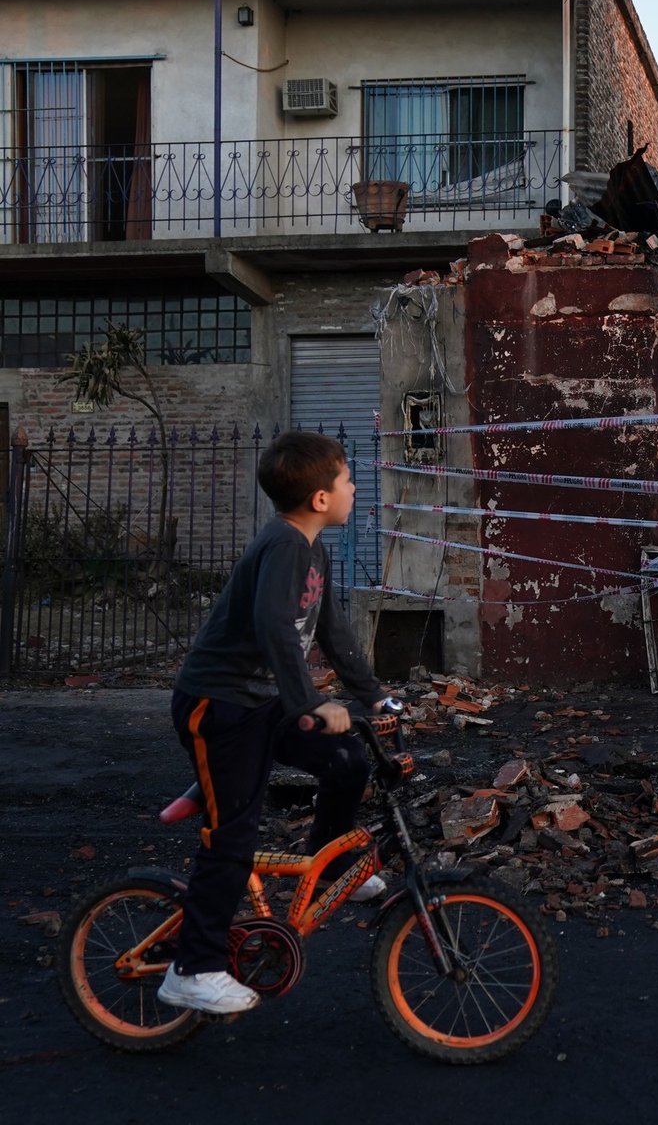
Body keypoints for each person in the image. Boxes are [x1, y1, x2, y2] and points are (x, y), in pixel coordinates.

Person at [158, 431, 391, 1015]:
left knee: (348, 759)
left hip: (260, 702)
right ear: (320, 498)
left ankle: (332, 862)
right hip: (221, 705)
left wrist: (378, 699)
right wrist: (311, 703)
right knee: (233, 836)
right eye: (346, 480)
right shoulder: (285, 545)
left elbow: (332, 630)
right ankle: (193, 968)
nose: (354, 488)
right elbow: (273, 627)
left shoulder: (313, 548)